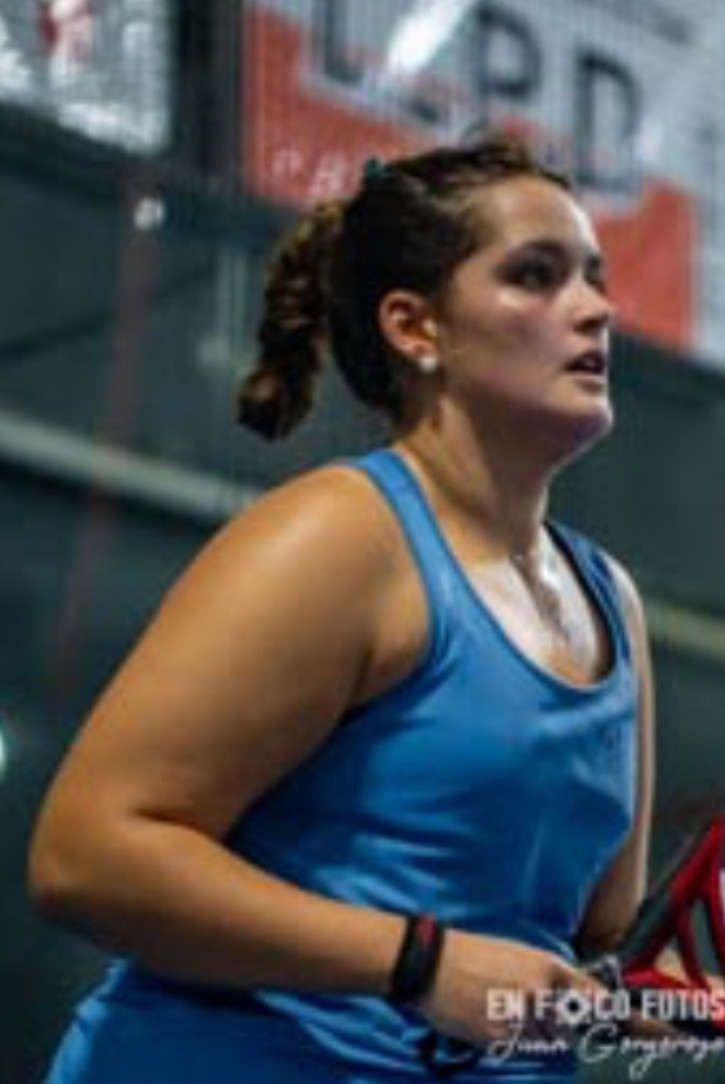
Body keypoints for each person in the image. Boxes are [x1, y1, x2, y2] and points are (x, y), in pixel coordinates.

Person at [28, 135, 656, 1083]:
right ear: (416, 328)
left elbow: (589, 935)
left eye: (595, 278)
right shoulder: (339, 538)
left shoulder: (613, 602)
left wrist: (700, 1007)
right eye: (536, 274)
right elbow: (86, 855)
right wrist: (418, 961)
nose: (596, 309)